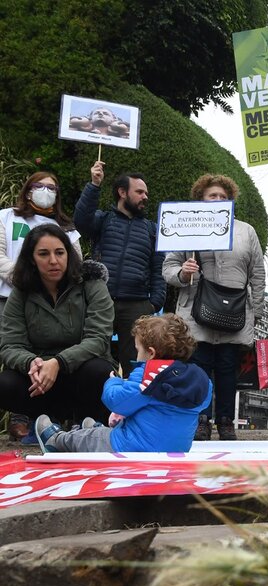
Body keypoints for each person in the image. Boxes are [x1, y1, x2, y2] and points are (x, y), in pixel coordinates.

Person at [163, 175, 266, 441]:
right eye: (212, 196)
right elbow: (169, 267)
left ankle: (226, 421)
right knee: (198, 367)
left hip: (234, 311)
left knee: (227, 368)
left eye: (223, 196)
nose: (218, 200)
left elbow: (257, 271)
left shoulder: (246, 231)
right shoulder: (187, 227)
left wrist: (255, 308)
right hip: (196, 311)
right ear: (201, 199)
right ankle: (201, 419)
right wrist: (183, 273)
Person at [34, 314, 212, 453]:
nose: (136, 355)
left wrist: (113, 382)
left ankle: (55, 440)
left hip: (132, 448)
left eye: (137, 350)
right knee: (137, 421)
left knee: (87, 438)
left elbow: (117, 402)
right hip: (175, 450)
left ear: (150, 353)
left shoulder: (149, 375)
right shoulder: (198, 378)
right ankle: (102, 430)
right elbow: (160, 407)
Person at [0, 224, 115, 426]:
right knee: (5, 384)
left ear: (69, 254)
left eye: (60, 252)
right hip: (41, 375)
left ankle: (86, 421)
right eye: (43, 254)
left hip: (82, 369)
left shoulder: (92, 283)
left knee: (100, 372)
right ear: (32, 260)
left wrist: (59, 362)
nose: (53, 261)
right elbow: (10, 345)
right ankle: (44, 421)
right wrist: (31, 363)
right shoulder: (21, 291)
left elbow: (98, 338)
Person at [0, 171, 82, 441]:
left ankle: (54, 416)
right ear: (27, 189)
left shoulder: (67, 227)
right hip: (11, 295)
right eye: (40, 186)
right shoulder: (7, 216)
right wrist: (29, 277)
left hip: (54, 298)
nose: (46, 191)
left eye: (52, 188)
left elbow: (76, 261)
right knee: (17, 357)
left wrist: (45, 278)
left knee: (55, 355)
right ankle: (21, 415)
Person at [74, 161, 165, 372]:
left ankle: (131, 405)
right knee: (93, 359)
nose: (145, 197)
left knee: (136, 366)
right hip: (100, 300)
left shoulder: (152, 230)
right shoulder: (104, 220)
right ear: (122, 192)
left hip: (137, 306)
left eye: (146, 193)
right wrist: (94, 185)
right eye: (140, 192)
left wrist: (154, 303)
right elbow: (81, 221)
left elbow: (158, 268)